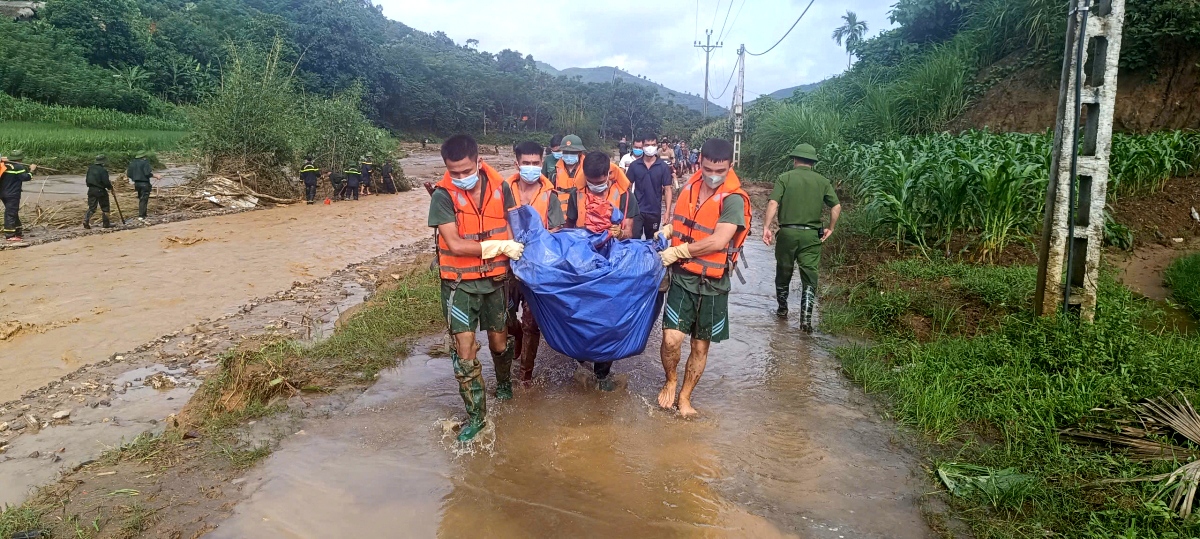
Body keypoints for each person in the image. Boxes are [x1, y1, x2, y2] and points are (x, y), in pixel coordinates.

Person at [428, 134, 524, 442]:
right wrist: (496, 246)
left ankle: (505, 384)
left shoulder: (502, 188)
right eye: (453, 173)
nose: (459, 178)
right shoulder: (442, 196)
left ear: (478, 162)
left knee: (499, 342)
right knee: (465, 350)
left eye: (465, 171)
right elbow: (454, 243)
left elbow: (517, 226)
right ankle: (477, 418)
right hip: (458, 285)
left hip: (495, 281)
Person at [656, 139, 752, 417]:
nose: (713, 175)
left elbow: (720, 239)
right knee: (672, 339)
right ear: (700, 163)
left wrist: (680, 250)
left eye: (720, 171)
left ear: (729, 167)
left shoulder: (733, 199)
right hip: (683, 276)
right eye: (709, 168)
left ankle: (685, 397)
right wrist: (669, 229)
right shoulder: (691, 186)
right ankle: (671, 380)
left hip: (713, 282)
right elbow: (688, 221)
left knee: (699, 344)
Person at [564, 151, 637, 391]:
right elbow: (569, 226)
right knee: (581, 313)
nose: (595, 186)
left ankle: (602, 374)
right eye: (591, 182)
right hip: (583, 263)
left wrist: (619, 232)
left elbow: (630, 233)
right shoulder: (577, 195)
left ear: (608, 174)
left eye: (599, 181)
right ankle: (581, 358)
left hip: (612, 266)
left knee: (608, 318)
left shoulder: (625, 196)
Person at [762, 144, 841, 332]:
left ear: (794, 160)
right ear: (813, 162)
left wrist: (766, 227)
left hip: (787, 234)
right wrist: (830, 228)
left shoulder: (785, 178)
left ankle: (782, 310)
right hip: (811, 236)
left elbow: (773, 202)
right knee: (809, 276)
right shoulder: (822, 181)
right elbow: (836, 206)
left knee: (783, 271)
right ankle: (805, 321)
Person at [506, 141, 565, 382]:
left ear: (542, 163)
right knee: (505, 318)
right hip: (506, 264)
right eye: (526, 163)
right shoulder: (503, 191)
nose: (531, 167)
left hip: (537, 268)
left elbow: (557, 230)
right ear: (517, 164)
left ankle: (525, 376)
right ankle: (515, 334)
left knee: (533, 322)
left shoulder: (550, 195)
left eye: (535, 163)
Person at [626, 134, 674, 240]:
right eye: (647, 145)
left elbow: (667, 190)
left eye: (653, 144)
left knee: (652, 242)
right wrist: (626, 211)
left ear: (657, 146)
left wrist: (667, 212)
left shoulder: (663, 167)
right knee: (634, 241)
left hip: (654, 211)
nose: (650, 147)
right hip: (637, 211)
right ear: (642, 145)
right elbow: (626, 188)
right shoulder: (634, 166)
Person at [1, 150, 34, 242]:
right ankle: (10, 235)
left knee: (13, 212)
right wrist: (32, 170)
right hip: (12, 194)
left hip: (3, 193)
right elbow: (26, 177)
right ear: (20, 159)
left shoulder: (4, 165)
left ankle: (18, 232)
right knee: (10, 213)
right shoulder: (18, 166)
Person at [126, 151, 162, 220]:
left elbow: (129, 174)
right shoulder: (145, 163)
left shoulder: (132, 163)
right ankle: (141, 216)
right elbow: (147, 173)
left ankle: (144, 214)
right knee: (144, 199)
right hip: (144, 183)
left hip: (136, 184)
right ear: (143, 157)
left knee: (141, 198)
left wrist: (135, 178)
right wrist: (156, 176)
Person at [83, 155, 114, 229]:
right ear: (103, 162)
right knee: (105, 207)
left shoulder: (90, 169)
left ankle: (86, 220)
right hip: (100, 191)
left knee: (92, 208)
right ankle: (106, 224)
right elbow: (106, 182)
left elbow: (87, 181)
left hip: (91, 190)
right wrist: (110, 188)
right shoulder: (103, 170)